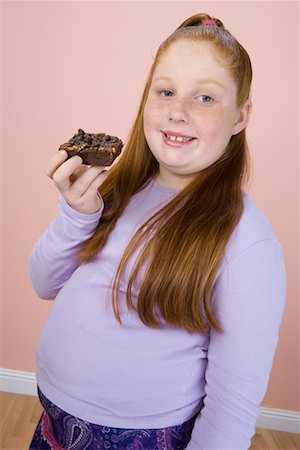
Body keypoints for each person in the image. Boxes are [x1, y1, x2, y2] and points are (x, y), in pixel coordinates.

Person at [29, 13, 286, 450]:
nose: (177, 111)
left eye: (205, 98)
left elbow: (233, 406)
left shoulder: (247, 242)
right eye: (165, 91)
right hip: (54, 423)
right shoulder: (116, 188)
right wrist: (77, 215)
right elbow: (44, 282)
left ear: (241, 117)